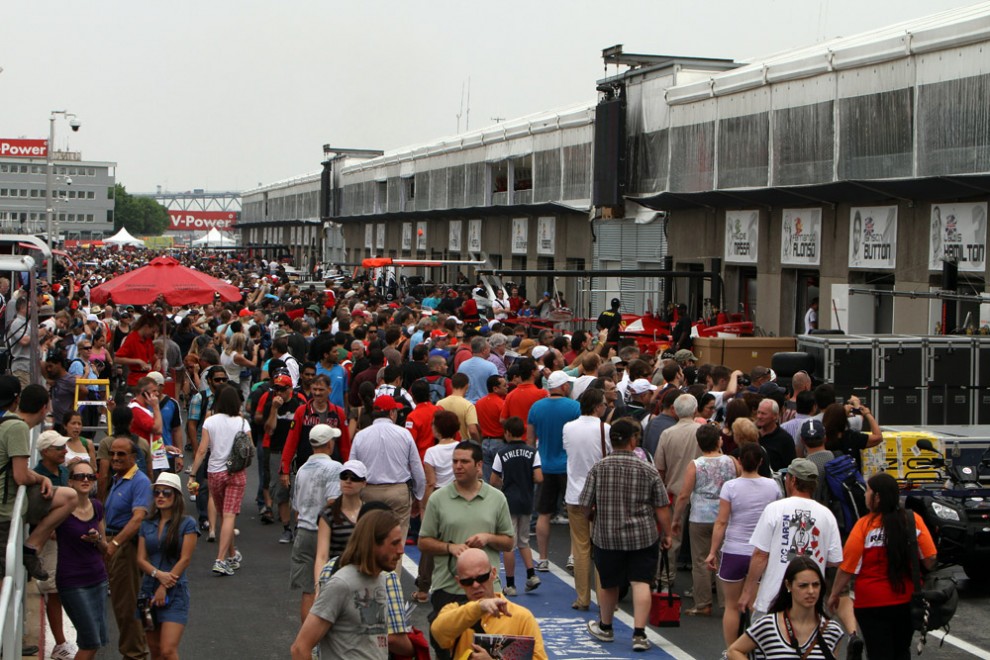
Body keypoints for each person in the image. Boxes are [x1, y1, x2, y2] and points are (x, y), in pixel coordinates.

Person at [581, 417, 673, 653]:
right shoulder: (647, 469)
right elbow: (662, 507)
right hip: (642, 536)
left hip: (607, 536)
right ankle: (640, 634)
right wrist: (667, 534)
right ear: (633, 441)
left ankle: (606, 626)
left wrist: (595, 518)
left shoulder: (599, 468)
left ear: (611, 442)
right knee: (641, 582)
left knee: (609, 582)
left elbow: (584, 505)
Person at [418, 441, 515, 660]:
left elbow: (509, 542)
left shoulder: (496, 498)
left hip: (488, 589)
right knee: (447, 652)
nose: (458, 466)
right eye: (454, 461)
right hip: (448, 589)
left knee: (488, 654)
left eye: (464, 461)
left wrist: (488, 537)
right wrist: (449, 547)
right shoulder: (438, 498)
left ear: (479, 465)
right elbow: (424, 542)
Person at [828, 473, 937, 660]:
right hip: (906, 600)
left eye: (867, 491)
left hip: (871, 603)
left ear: (877, 497)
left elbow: (847, 568)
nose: (864, 495)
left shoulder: (864, 526)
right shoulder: (912, 520)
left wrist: (834, 595)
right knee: (902, 650)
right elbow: (930, 558)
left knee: (878, 652)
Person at [290, 509, 404, 660]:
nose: (401, 551)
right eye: (394, 544)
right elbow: (299, 648)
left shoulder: (381, 579)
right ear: (372, 544)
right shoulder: (341, 584)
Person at [739, 458, 843, 618]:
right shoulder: (826, 515)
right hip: (810, 602)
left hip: (773, 599)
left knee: (769, 641)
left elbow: (760, 555)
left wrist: (748, 592)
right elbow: (834, 560)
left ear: (792, 480)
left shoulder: (775, 509)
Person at [705, 443, 781, 651]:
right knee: (756, 604)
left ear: (739, 462)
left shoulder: (730, 487)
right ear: (760, 462)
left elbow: (721, 522)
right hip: (762, 551)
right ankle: (755, 649)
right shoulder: (773, 486)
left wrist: (713, 551)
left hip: (734, 550)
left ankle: (731, 650)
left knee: (731, 606)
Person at [0, 381, 77, 581]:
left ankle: (31, 548)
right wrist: (41, 477)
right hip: (5, 508)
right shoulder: (18, 427)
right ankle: (32, 546)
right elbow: (20, 476)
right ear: (44, 408)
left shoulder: (6, 421)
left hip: (8, 503)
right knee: (70, 497)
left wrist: (40, 477)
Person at [430, 548, 548, 660]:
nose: (475, 585)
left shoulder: (521, 617)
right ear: (459, 582)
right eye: (467, 581)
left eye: (482, 578)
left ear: (494, 573)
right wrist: (479, 607)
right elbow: (438, 632)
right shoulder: (454, 612)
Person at [671, 424, 738, 617]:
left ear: (699, 444)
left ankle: (703, 603)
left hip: (700, 516)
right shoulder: (731, 461)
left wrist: (676, 518)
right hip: (724, 515)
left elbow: (684, 495)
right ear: (719, 441)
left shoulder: (696, 464)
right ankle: (727, 603)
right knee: (722, 558)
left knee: (700, 560)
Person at [136, 472, 199, 660]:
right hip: (147, 593)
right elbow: (140, 559)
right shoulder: (146, 524)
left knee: (168, 651)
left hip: (175, 592)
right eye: (157, 493)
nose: (161, 496)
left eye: (166, 492)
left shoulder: (187, 524)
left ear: (176, 496)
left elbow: (185, 559)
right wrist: (158, 575)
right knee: (154, 652)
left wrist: (164, 585)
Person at [729, 556, 845, 659]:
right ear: (788, 585)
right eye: (803, 586)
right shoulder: (768, 625)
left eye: (815, 585)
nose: (811, 591)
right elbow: (733, 651)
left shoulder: (832, 631)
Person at [188, 385, 248, 577]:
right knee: (229, 516)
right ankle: (221, 559)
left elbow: (202, 450)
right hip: (236, 472)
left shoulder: (210, 421)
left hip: (214, 471)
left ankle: (231, 554)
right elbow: (249, 447)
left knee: (224, 514)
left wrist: (193, 474)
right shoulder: (242, 423)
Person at [349, 395, 427, 542]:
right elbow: (417, 469)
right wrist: (418, 496)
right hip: (398, 492)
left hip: (369, 492)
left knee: (371, 538)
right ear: (392, 413)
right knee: (397, 541)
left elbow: (352, 467)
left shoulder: (361, 436)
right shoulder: (404, 434)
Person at [104, 435, 153, 660]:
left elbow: (138, 518)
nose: (115, 457)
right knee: (121, 606)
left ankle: (134, 654)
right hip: (115, 546)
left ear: (133, 457)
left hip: (126, 549)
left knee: (127, 607)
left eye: (121, 454)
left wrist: (114, 544)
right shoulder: (117, 478)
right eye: (113, 453)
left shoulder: (139, 481)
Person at [56, 460, 109, 660]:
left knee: (96, 641)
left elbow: (105, 548)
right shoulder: (61, 509)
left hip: (98, 579)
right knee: (90, 641)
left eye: (90, 476)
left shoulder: (97, 506)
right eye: (80, 476)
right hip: (72, 581)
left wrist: (97, 540)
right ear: (70, 482)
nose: (86, 480)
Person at [290, 424, 343, 623]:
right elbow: (333, 503)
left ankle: (308, 640)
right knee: (330, 587)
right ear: (329, 444)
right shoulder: (335, 467)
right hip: (325, 533)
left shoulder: (302, 469)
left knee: (307, 590)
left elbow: (296, 506)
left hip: (303, 530)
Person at [562, 388, 609, 610]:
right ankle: (604, 598)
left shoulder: (568, 428)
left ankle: (582, 598)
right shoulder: (605, 429)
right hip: (599, 495)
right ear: (598, 406)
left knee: (580, 547)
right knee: (600, 547)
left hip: (574, 493)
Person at [528, 370, 580, 571]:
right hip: (568, 466)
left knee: (543, 513)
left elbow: (531, 440)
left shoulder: (536, 407)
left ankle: (542, 557)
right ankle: (573, 556)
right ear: (565, 386)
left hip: (545, 465)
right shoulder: (575, 407)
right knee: (575, 514)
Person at [490, 416, 543, 598]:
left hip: (509, 500)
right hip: (527, 500)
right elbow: (539, 477)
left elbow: (494, 480)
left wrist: (505, 483)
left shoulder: (502, 453)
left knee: (509, 545)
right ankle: (531, 574)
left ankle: (511, 584)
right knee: (524, 540)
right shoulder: (532, 452)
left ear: (507, 433)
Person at [413, 410, 461, 603]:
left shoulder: (431, 452)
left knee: (429, 542)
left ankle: (424, 588)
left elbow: (430, 482)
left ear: (437, 429)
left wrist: (423, 504)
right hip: (458, 494)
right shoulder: (461, 447)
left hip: (439, 496)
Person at [313, 460, 367, 589]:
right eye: (344, 476)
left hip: (364, 578)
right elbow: (322, 556)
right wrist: (318, 586)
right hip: (336, 579)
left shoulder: (369, 513)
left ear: (364, 483)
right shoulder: (329, 514)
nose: (348, 481)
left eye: (354, 478)